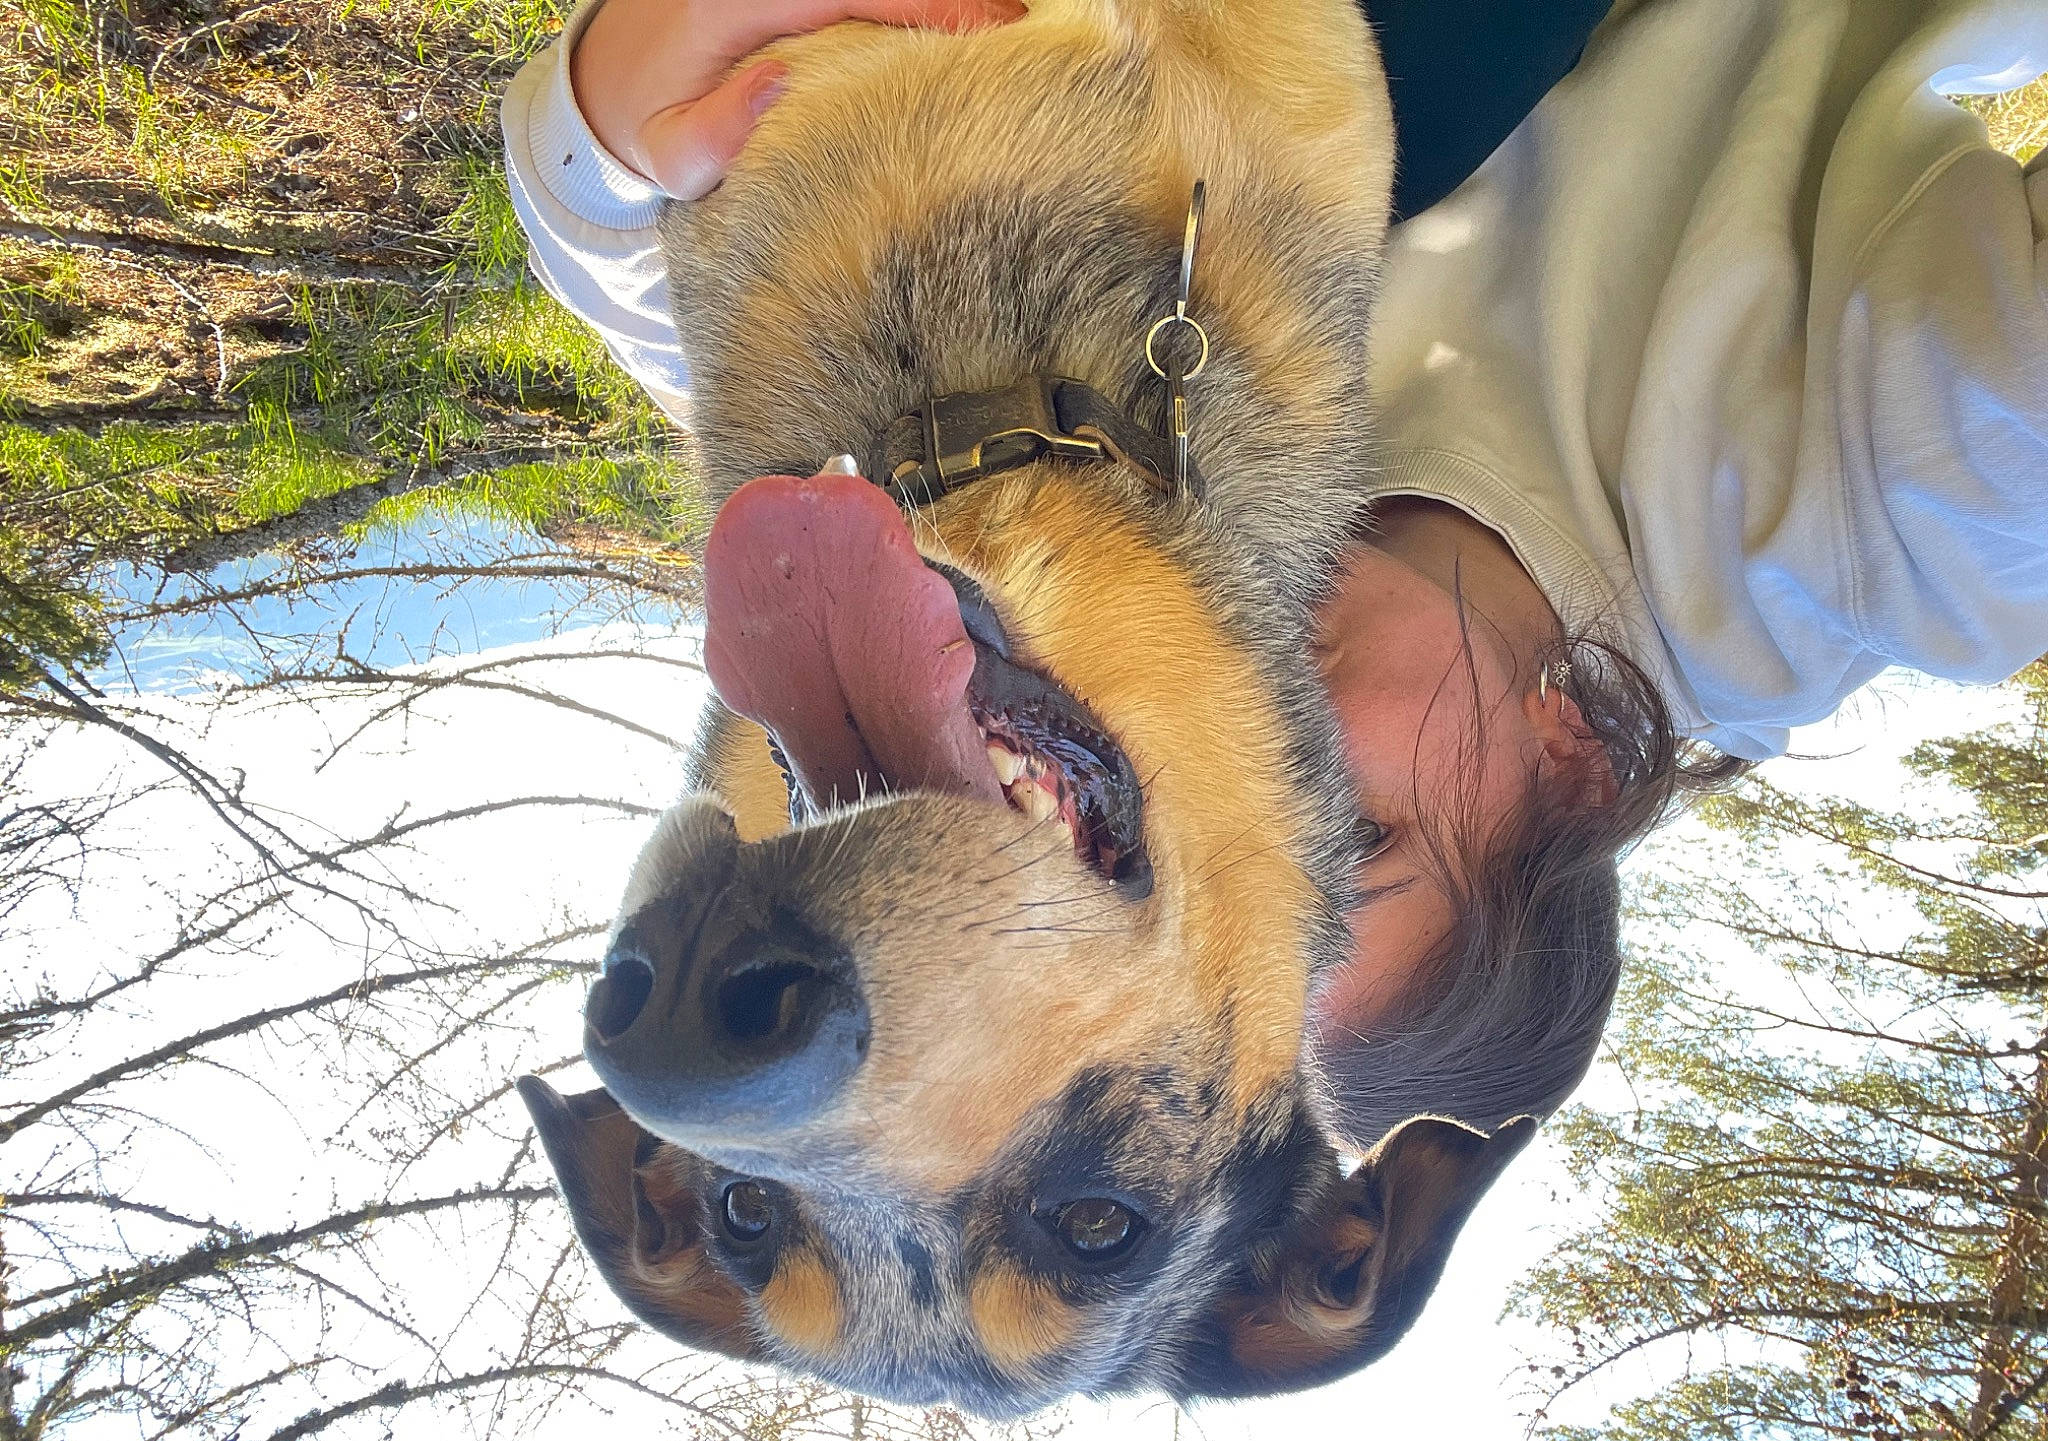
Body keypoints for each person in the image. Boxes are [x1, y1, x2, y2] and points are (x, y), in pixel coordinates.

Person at [502, 0, 2048, 1145]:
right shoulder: (1861, 532)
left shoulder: (1102, 588)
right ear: (1571, 770)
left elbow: (698, 323)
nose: (1223, 767)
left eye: (1146, 854)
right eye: (1338, 840)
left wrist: (603, 127)